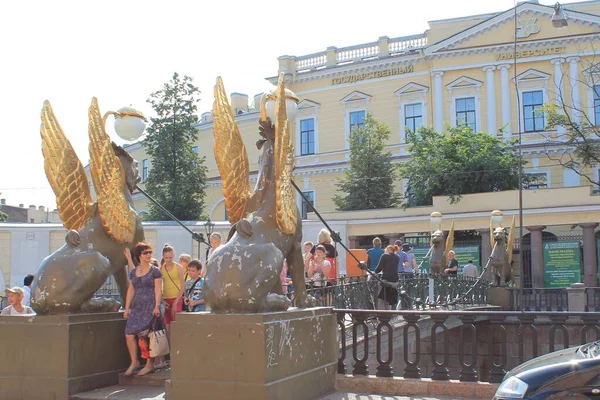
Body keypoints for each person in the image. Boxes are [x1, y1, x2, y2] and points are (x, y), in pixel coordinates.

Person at [123, 243, 162, 376]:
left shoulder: (155, 270)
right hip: (137, 307)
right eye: (146, 252)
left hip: (150, 306)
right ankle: (134, 362)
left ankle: (149, 364)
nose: (149, 255)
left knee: (146, 335)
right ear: (139, 255)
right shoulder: (134, 272)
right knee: (129, 334)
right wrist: (127, 308)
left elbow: (158, 289)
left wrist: (157, 305)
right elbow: (131, 290)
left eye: (150, 252)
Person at [160, 244, 185, 332]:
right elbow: (159, 286)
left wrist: (176, 302)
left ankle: (176, 344)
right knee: (166, 324)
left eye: (170, 257)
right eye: (166, 258)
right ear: (163, 256)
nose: (168, 260)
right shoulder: (161, 268)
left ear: (174, 255)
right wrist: (162, 300)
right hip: (166, 298)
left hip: (176, 297)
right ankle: (169, 344)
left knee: (176, 323)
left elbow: (182, 287)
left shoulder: (178, 267)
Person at [375, 245, 400, 310]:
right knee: (389, 298)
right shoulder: (397, 257)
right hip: (395, 281)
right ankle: (389, 313)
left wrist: (375, 272)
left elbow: (379, 268)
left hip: (386, 280)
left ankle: (382, 315)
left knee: (381, 298)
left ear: (388, 250)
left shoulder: (384, 256)